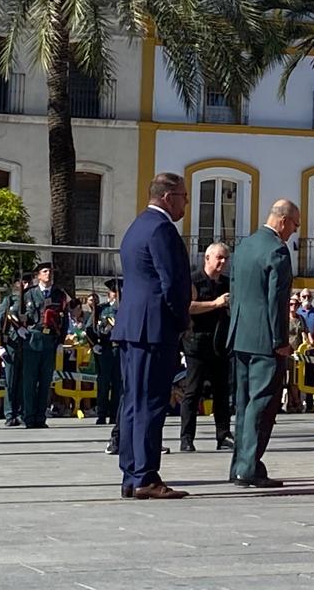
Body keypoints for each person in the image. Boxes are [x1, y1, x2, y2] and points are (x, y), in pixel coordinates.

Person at [113, 172, 192, 500]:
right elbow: (171, 283)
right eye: (184, 196)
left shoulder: (136, 227)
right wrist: (182, 317)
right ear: (168, 195)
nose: (186, 203)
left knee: (133, 402)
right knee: (150, 403)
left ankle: (132, 474)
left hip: (133, 328)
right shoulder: (162, 230)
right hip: (153, 328)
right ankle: (146, 475)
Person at [229, 200, 300, 488]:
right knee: (262, 405)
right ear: (283, 221)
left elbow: (234, 289)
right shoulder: (277, 250)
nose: (294, 232)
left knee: (244, 404)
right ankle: (247, 468)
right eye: (295, 225)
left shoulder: (244, 246)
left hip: (241, 335)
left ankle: (241, 464)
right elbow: (277, 301)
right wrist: (280, 340)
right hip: (265, 341)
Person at [180, 242, 234, 454]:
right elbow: (187, 307)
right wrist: (215, 304)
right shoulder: (194, 281)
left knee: (222, 392)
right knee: (193, 392)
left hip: (220, 345)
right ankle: (186, 437)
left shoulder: (228, 284)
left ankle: (223, 435)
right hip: (197, 343)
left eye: (226, 259)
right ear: (207, 258)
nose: (222, 262)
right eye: (219, 257)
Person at [20, 262, 70, 429]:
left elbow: (64, 319)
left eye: (50, 272)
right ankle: (29, 416)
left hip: (50, 341)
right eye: (45, 271)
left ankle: (40, 417)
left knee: (45, 381)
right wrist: (19, 330)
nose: (49, 274)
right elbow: (15, 314)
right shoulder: (29, 294)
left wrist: (61, 341)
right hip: (32, 339)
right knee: (29, 381)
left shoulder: (58, 295)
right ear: (38, 275)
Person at [0, 275, 29, 426]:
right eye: (22, 281)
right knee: (11, 380)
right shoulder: (9, 300)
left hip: (27, 343)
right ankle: (10, 414)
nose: (25, 284)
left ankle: (22, 412)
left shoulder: (32, 300)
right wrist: (0, 345)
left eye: (28, 282)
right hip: (11, 343)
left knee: (24, 380)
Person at [91, 279, 121, 428]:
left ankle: (115, 414)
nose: (115, 295)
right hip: (105, 349)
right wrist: (94, 344)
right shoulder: (101, 309)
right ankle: (101, 414)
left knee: (118, 384)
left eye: (118, 293)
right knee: (103, 384)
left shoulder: (125, 309)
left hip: (120, 349)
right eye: (113, 292)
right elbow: (89, 329)